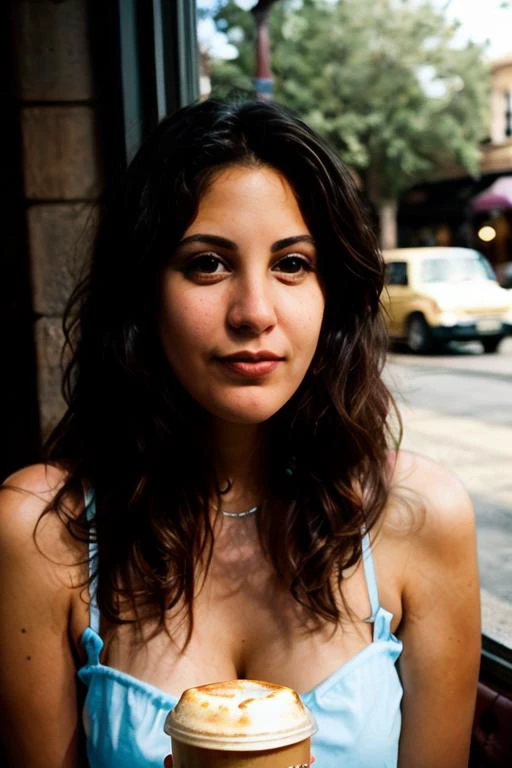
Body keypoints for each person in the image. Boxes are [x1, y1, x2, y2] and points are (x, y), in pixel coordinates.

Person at [0, 98, 480, 768]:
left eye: (292, 264)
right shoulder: (42, 528)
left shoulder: (420, 515)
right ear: (144, 291)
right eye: (207, 264)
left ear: (330, 293)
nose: (255, 312)